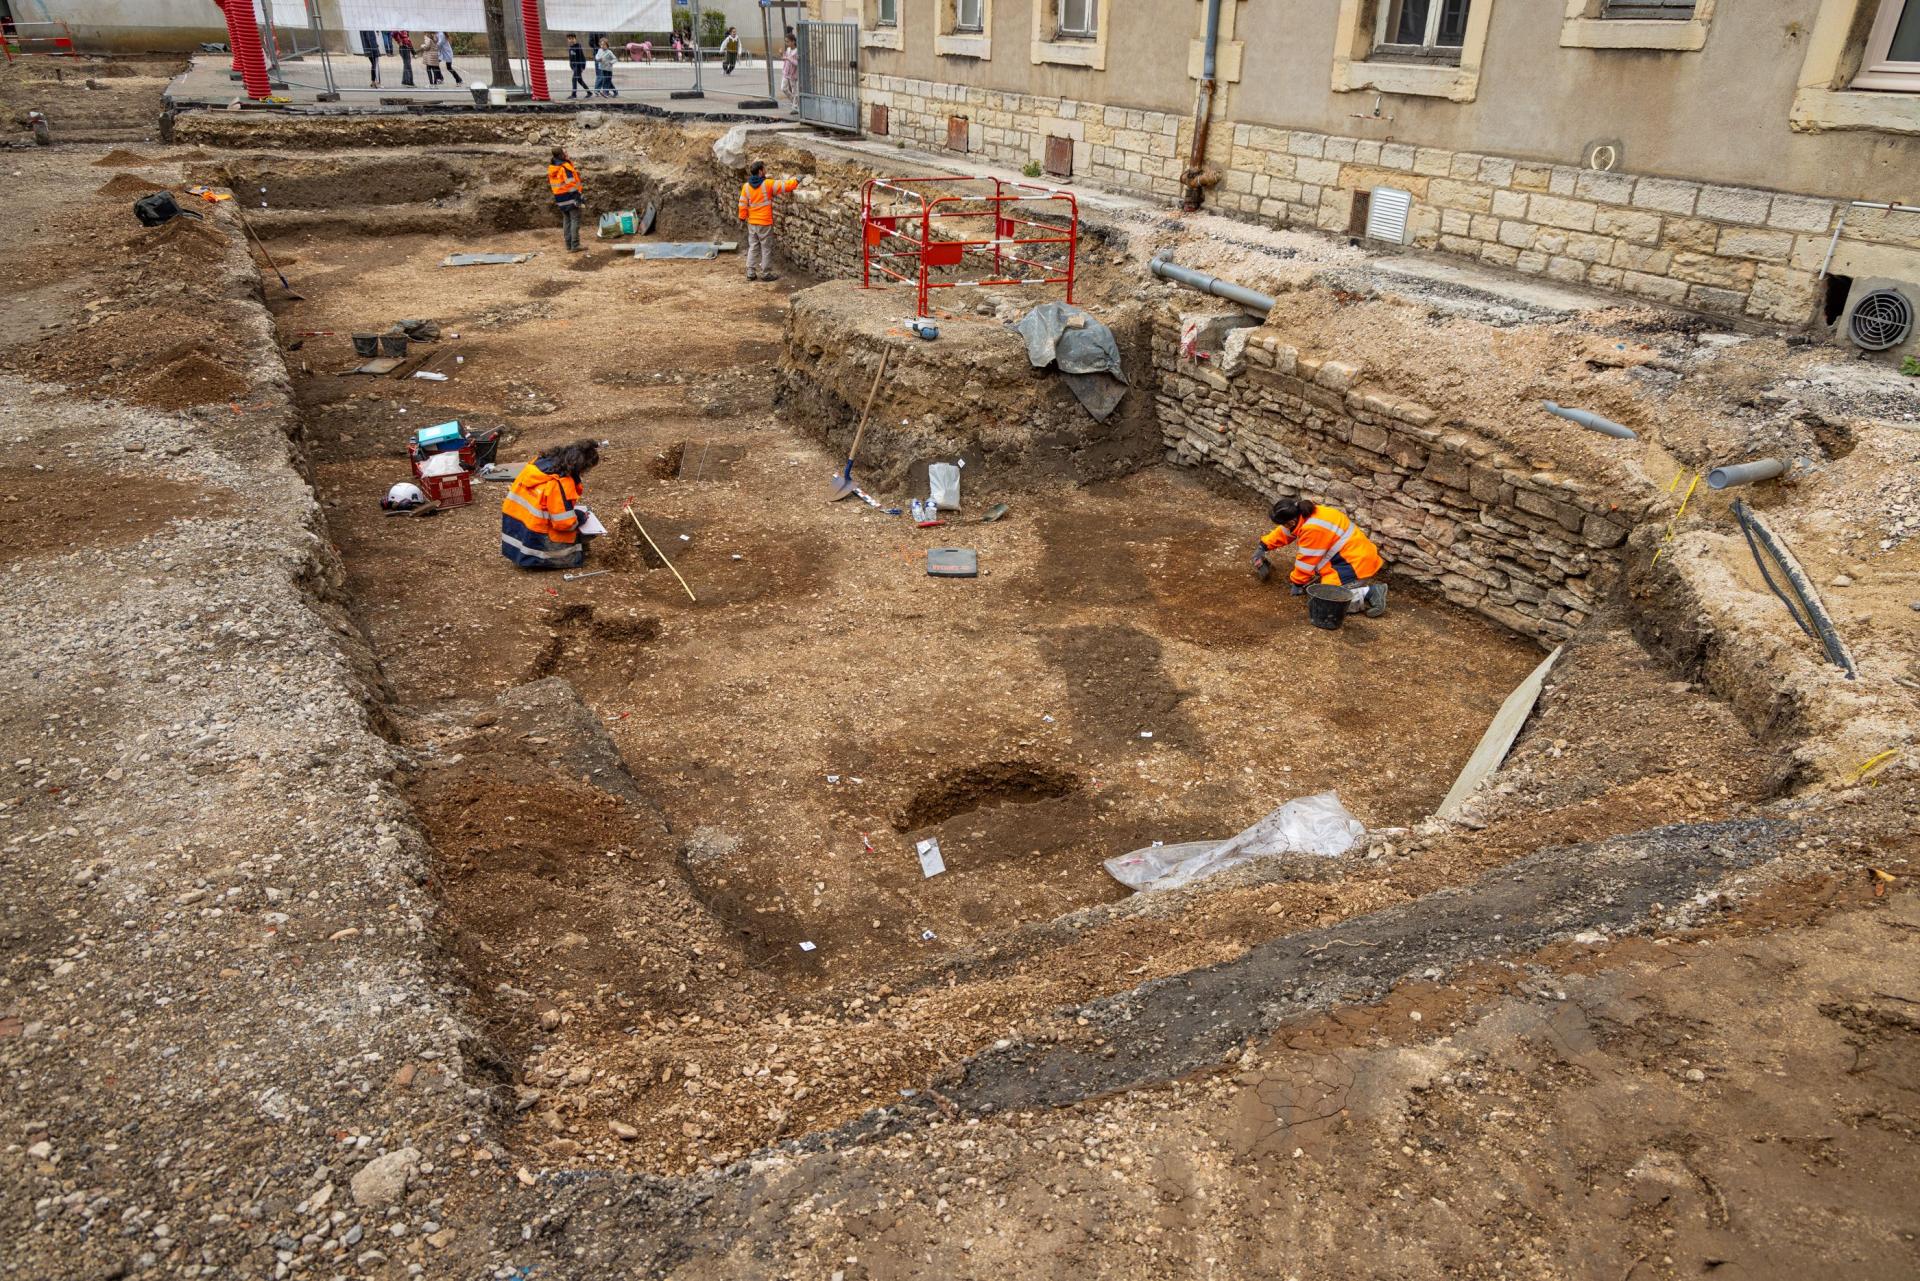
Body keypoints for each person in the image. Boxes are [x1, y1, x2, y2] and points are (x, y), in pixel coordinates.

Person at [1254, 497, 1388, 618]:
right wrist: (1263, 546)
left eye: (1283, 524)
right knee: (1319, 591)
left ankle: (1370, 593)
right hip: (1351, 558)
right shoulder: (1303, 513)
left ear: (1291, 521)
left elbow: (1306, 561)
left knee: (1325, 602)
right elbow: (1286, 531)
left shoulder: (1313, 529)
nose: (1283, 527)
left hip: (1354, 566)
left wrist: (1297, 583)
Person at [501, 440, 601, 571]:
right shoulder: (560, 482)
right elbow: (565, 524)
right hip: (534, 543)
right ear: (581, 466)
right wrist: (581, 517)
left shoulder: (537, 465)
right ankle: (544, 559)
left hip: (515, 531)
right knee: (588, 532)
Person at [737, 159, 802, 283]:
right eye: (764, 168)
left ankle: (750, 272)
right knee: (766, 248)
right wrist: (797, 180)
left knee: (753, 246)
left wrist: (742, 217)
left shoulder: (746, 187)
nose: (766, 170)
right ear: (760, 171)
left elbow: (742, 204)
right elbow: (785, 186)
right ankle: (766, 273)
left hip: (752, 223)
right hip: (765, 223)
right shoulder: (767, 184)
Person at [548, 147, 585, 252]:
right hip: (570, 197)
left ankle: (568, 245)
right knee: (574, 220)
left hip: (560, 198)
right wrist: (577, 196)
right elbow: (571, 183)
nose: (567, 153)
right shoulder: (565, 167)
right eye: (565, 152)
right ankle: (575, 245)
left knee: (567, 220)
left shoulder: (553, 167)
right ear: (561, 155)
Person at [566, 33, 588, 99]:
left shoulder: (578, 46)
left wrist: (582, 66)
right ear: (568, 40)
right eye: (569, 39)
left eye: (573, 38)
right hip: (574, 67)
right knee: (579, 80)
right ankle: (589, 92)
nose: (571, 40)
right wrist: (571, 65)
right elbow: (571, 58)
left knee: (574, 79)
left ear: (575, 39)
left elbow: (582, 57)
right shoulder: (570, 48)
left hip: (579, 66)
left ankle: (574, 94)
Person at [780, 31, 798, 102]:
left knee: (794, 91)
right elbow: (785, 59)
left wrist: (788, 58)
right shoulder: (788, 49)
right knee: (783, 88)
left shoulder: (796, 51)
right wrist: (782, 55)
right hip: (786, 73)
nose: (786, 43)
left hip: (793, 74)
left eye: (788, 42)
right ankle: (794, 101)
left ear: (793, 41)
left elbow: (796, 63)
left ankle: (795, 106)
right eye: (786, 42)